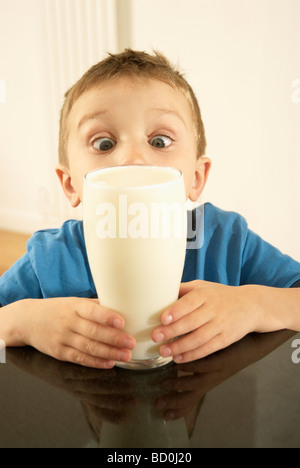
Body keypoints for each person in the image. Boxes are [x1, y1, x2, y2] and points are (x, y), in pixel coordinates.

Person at [0, 49, 300, 369]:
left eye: (159, 141)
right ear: (71, 183)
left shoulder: (227, 243)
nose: (133, 159)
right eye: (104, 143)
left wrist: (254, 305)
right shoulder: (49, 260)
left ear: (195, 178)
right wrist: (23, 322)